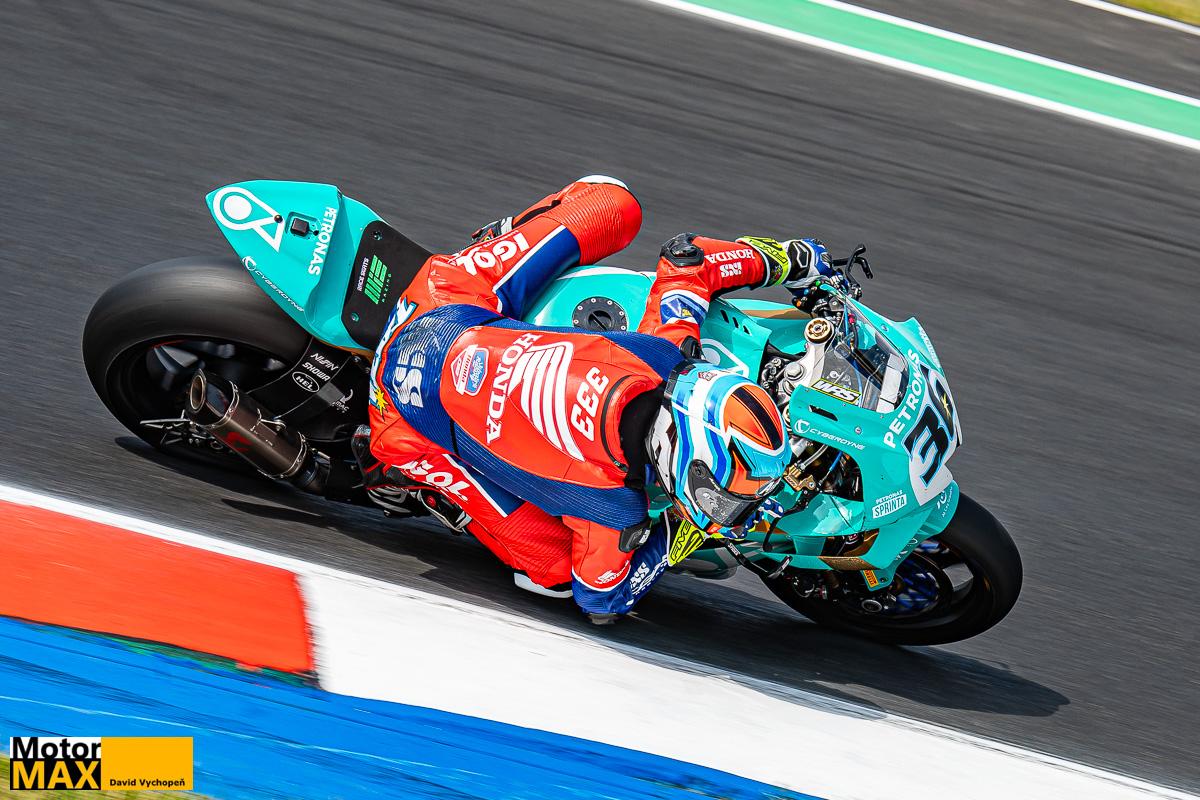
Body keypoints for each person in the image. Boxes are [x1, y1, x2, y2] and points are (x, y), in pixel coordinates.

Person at [357, 176, 834, 622]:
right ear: (679, 455)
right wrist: (677, 534)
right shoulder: (612, 507)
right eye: (723, 499)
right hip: (401, 417)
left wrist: (790, 259)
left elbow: (687, 260)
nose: (726, 512)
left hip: (443, 298)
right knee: (555, 574)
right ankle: (415, 483)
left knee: (613, 202)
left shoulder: (661, 356)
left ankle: (501, 241)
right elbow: (601, 599)